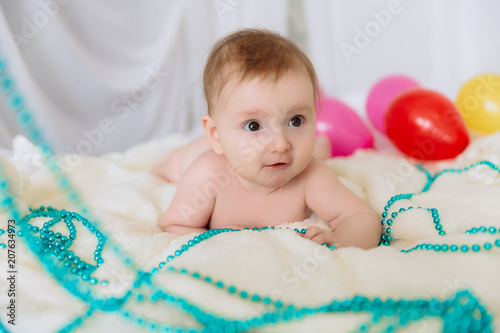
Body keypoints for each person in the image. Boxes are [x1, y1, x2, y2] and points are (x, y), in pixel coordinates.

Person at [152, 28, 381, 249]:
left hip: (271, 154)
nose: (280, 143)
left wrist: (342, 240)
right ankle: (170, 159)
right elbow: (175, 224)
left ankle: (322, 144)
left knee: (314, 154)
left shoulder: (311, 176)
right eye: (253, 126)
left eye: (296, 121)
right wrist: (216, 242)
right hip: (204, 156)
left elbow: (361, 216)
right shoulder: (207, 176)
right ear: (216, 135)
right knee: (176, 163)